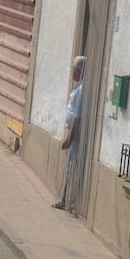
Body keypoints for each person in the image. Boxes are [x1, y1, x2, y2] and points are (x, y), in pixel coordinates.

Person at [51, 56, 86, 211]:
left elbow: (77, 116)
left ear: (78, 72)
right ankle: (65, 199)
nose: (71, 71)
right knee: (70, 167)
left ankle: (67, 200)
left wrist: (69, 139)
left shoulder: (82, 89)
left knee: (72, 168)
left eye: (73, 69)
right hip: (72, 131)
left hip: (75, 135)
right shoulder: (78, 86)